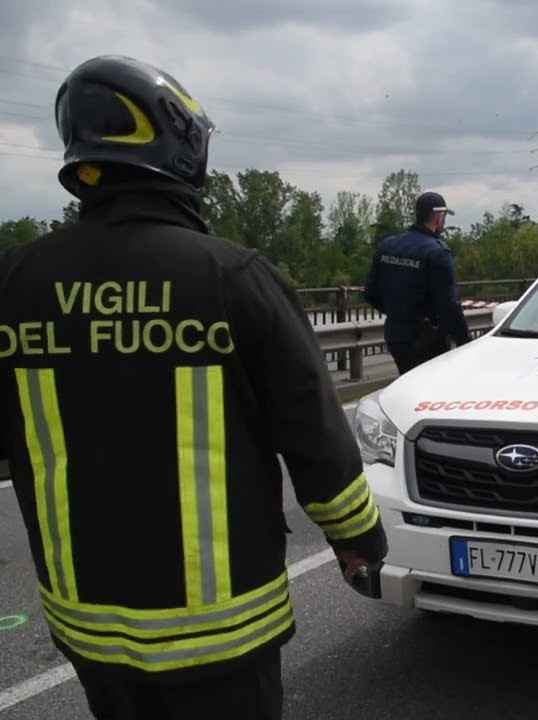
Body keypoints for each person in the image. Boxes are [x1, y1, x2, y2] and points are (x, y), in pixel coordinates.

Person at [0, 55, 388, 720]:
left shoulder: (15, 282)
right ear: (179, 145)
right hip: (222, 632)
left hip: (86, 624)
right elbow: (315, 436)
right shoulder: (230, 277)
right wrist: (357, 539)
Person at [363, 191, 471, 374]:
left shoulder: (388, 245)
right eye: (444, 217)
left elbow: (370, 293)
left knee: (406, 383)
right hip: (427, 339)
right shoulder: (437, 253)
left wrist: (398, 314)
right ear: (438, 217)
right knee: (430, 391)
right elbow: (449, 306)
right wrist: (465, 343)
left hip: (395, 334)